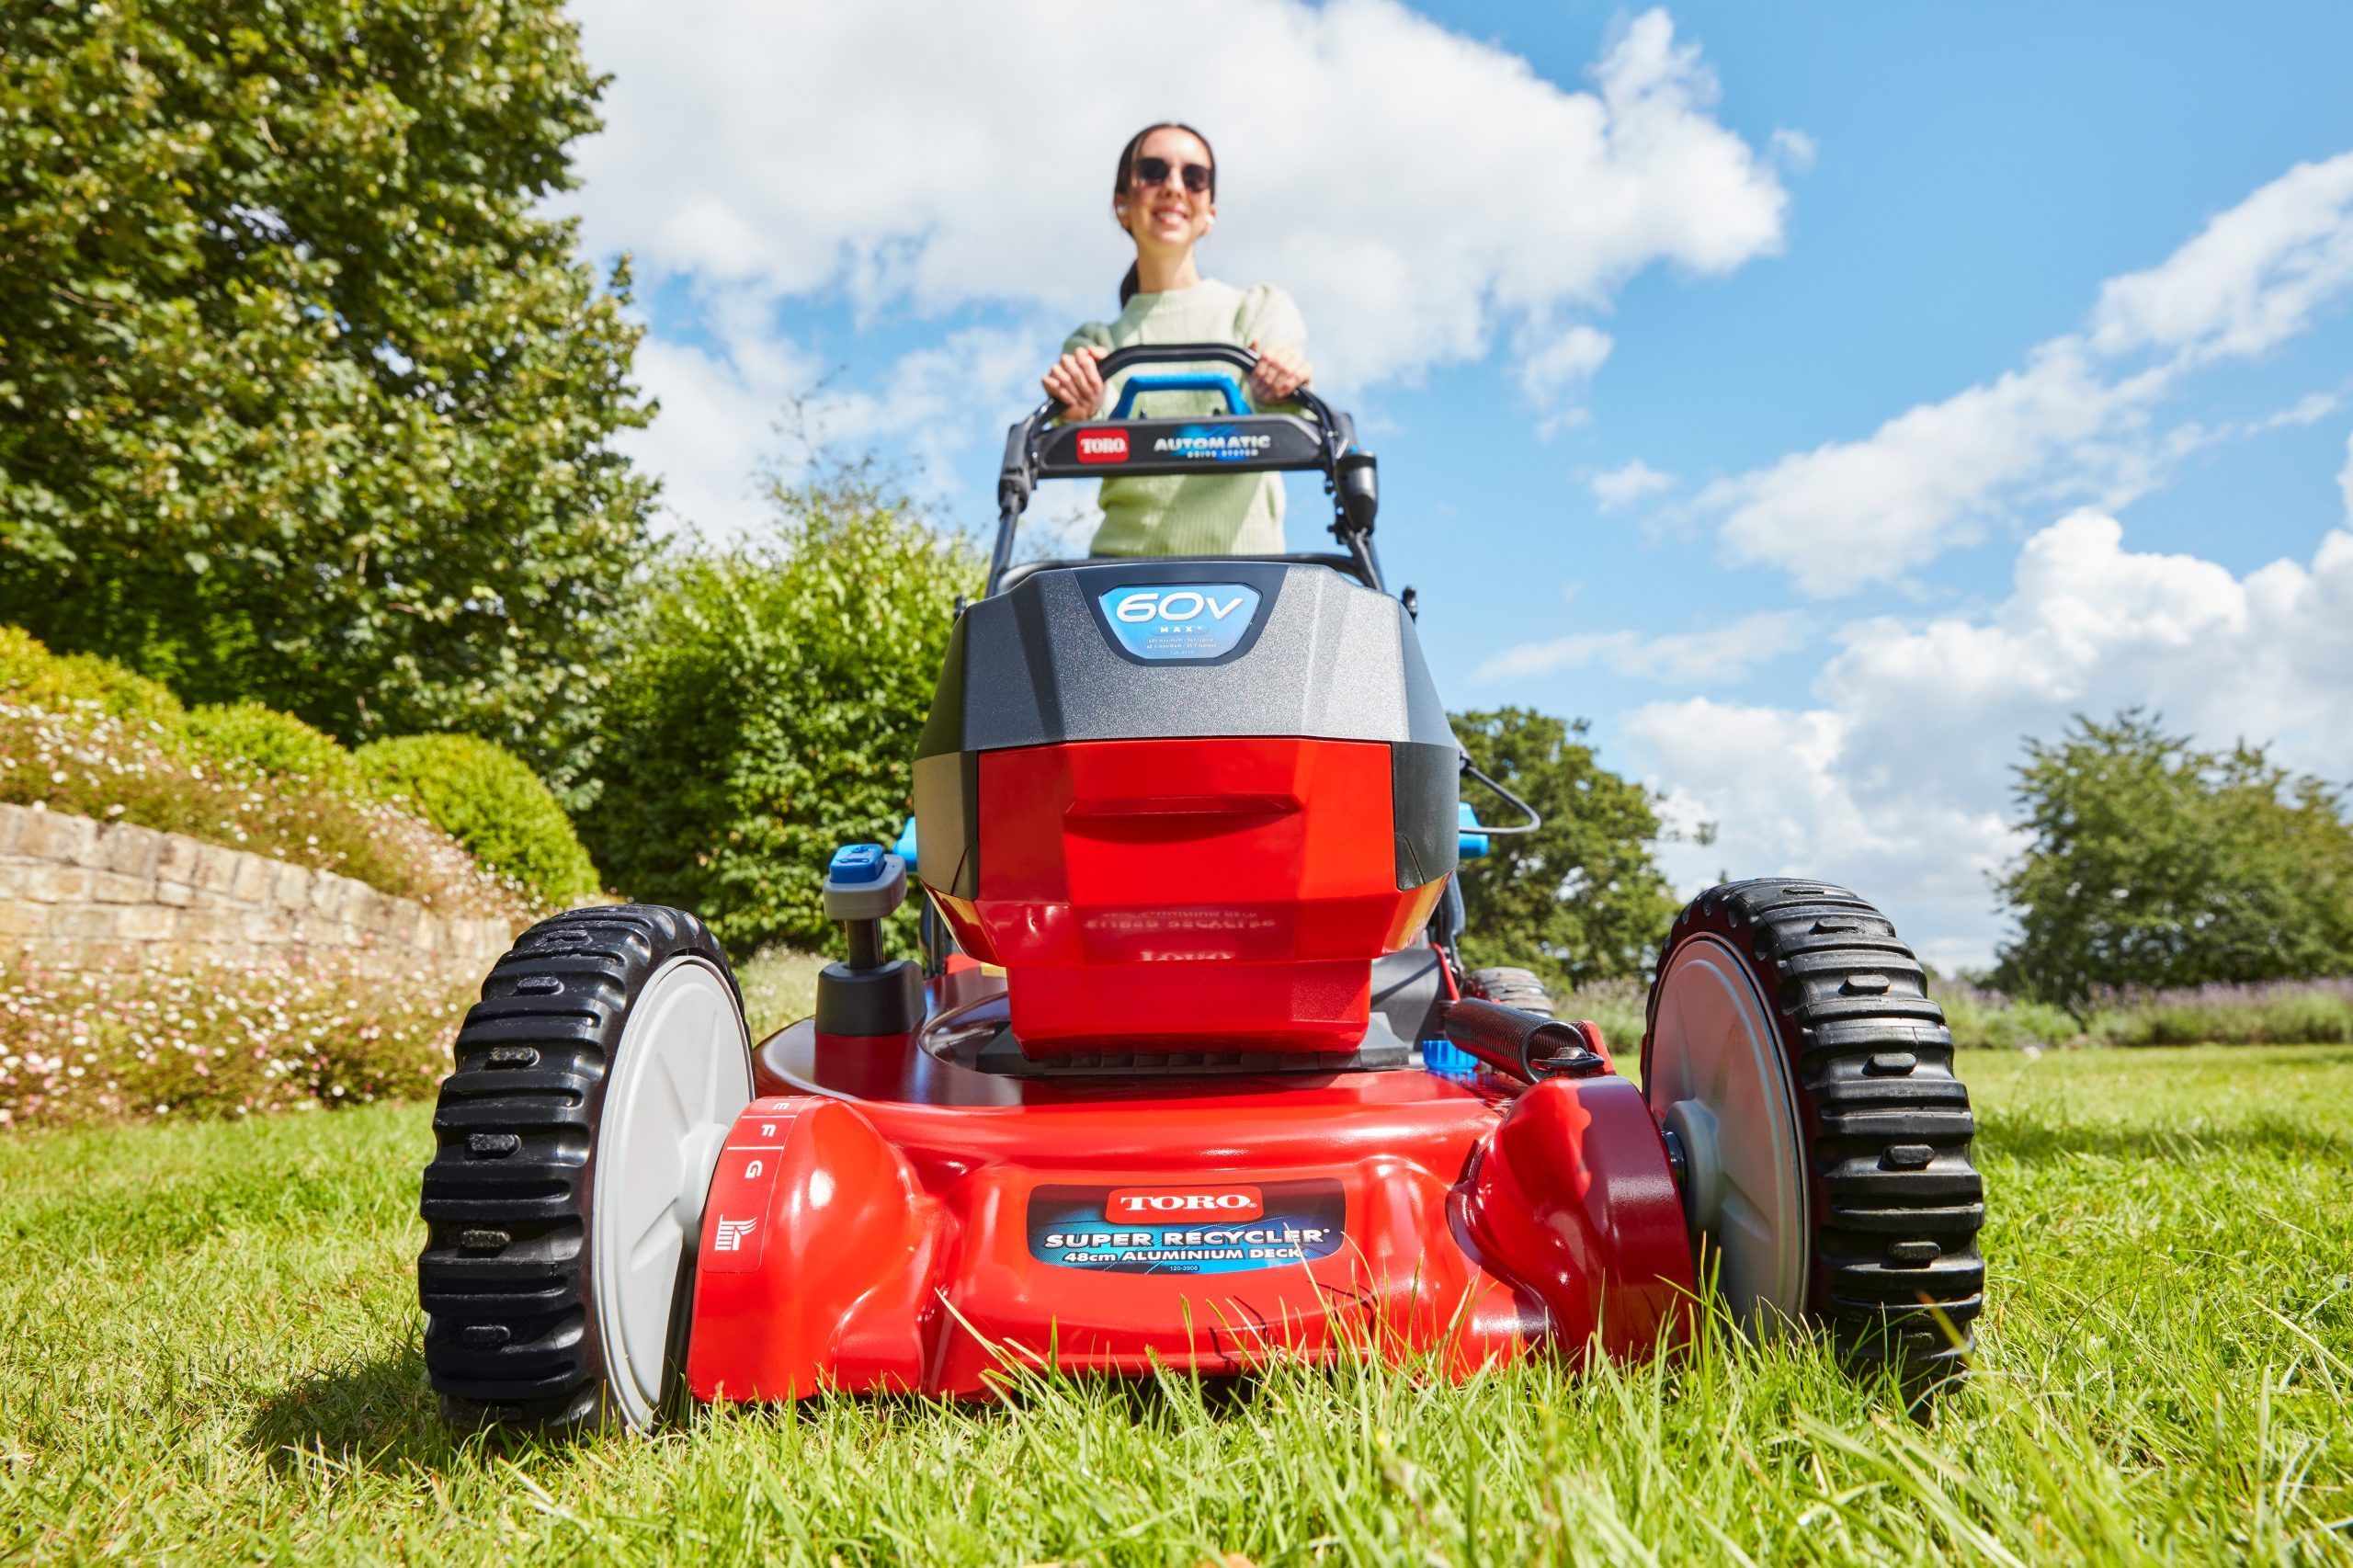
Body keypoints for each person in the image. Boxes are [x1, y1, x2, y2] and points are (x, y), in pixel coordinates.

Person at [1040, 123, 1313, 558]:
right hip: (1119, 581)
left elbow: (1291, 398)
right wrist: (1080, 406)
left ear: (1210, 211)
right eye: (1152, 171)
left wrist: (1282, 385)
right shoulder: (1096, 343)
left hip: (1250, 577)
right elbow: (1085, 420)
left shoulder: (1258, 311)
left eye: (1193, 177)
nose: (1173, 187)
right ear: (1122, 205)